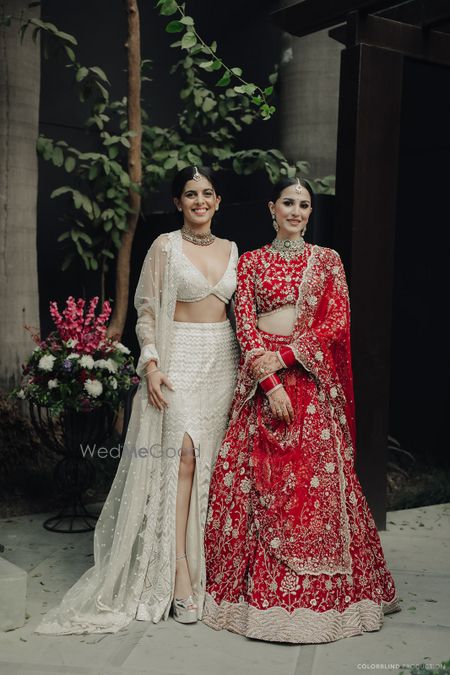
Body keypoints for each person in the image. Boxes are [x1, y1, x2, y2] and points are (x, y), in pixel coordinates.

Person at [36, 166, 239, 634]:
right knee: (182, 459)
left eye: (207, 193)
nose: (200, 201)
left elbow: (240, 312)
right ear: (178, 202)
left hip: (222, 361)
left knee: (213, 463)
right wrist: (150, 365)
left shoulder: (233, 251)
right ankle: (179, 571)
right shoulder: (165, 247)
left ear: (218, 201)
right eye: (191, 194)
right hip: (178, 358)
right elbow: (146, 312)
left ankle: (214, 569)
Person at [203, 176, 399, 643]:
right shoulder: (251, 262)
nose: (295, 211)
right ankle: (254, 601)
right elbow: (244, 325)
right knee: (257, 488)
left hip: (310, 382)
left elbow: (336, 322)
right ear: (271, 208)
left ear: (310, 213)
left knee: (312, 490)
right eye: (287, 203)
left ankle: (326, 603)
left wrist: (287, 358)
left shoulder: (327, 261)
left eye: (304, 205)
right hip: (260, 385)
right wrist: (269, 381)